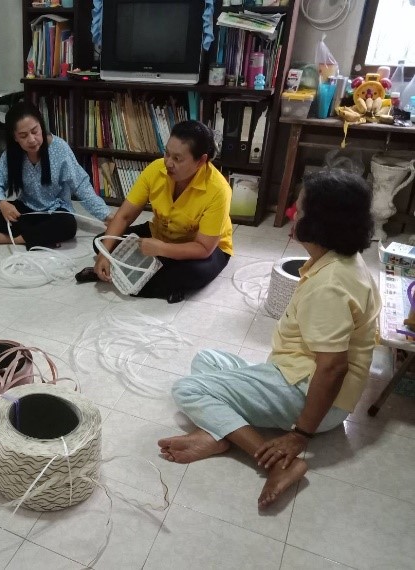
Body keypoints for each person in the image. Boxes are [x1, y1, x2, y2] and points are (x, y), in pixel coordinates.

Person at [158, 170, 380, 509]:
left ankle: (279, 463)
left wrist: (300, 435)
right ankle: (221, 434)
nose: (292, 211)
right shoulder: (339, 259)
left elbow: (332, 368)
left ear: (320, 224)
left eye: (300, 209)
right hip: (294, 372)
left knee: (187, 389)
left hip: (310, 393)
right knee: (207, 359)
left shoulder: (332, 285)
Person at [79, 120, 232, 303]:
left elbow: (204, 248)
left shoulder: (218, 190)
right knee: (101, 242)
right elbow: (124, 215)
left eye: (177, 159)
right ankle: (156, 279)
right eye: (167, 153)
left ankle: (139, 276)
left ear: (201, 161)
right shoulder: (156, 169)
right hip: (160, 233)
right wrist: (104, 254)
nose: (168, 162)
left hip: (203, 248)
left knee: (194, 273)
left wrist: (161, 249)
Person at [0, 102, 113, 249]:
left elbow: (81, 185)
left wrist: (106, 215)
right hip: (26, 209)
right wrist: (2, 204)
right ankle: (37, 236)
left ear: (41, 126)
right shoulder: (11, 154)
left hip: (54, 211)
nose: (31, 139)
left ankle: (14, 239)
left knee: (67, 225)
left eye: (35, 131)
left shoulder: (59, 148)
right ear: (15, 137)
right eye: (23, 136)